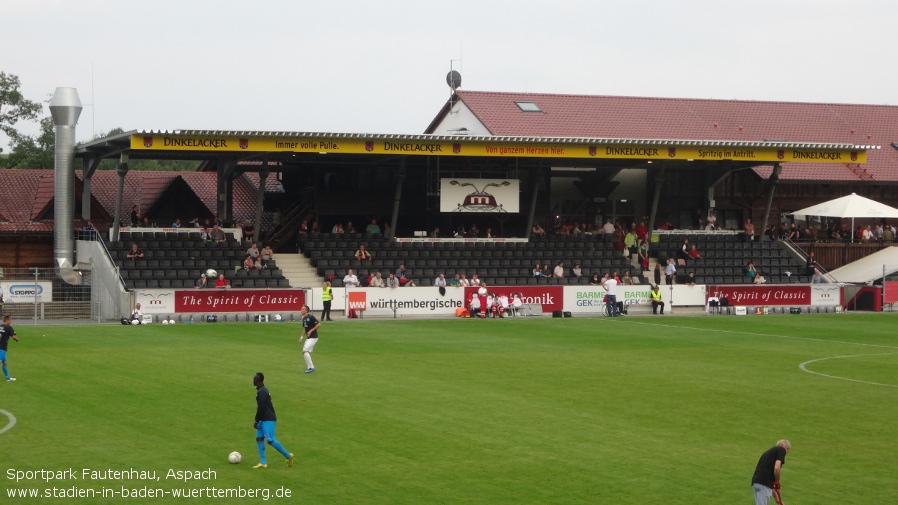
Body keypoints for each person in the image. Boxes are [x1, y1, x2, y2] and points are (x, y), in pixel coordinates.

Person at [252, 372, 294, 469]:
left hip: (268, 418)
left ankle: (289, 456)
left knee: (270, 440)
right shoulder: (261, 390)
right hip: (263, 418)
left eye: (254, 379)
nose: (253, 380)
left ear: (258, 380)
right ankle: (263, 462)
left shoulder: (262, 392)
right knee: (259, 438)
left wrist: (256, 421)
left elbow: (261, 408)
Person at [751, 440, 791, 505]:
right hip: (763, 485)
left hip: (757, 483)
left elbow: (771, 483)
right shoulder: (781, 450)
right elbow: (777, 468)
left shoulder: (768, 454)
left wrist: (778, 500)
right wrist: (777, 482)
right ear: (786, 448)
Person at [299, 304, 320, 374]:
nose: (301, 310)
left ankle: (311, 367)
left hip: (313, 337)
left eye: (303, 309)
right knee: (305, 352)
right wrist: (301, 337)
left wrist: (311, 330)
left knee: (304, 351)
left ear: (306, 310)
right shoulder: (304, 318)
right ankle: (310, 367)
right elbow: (305, 329)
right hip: (309, 338)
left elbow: (318, 324)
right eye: (301, 309)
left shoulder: (311, 317)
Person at [1, 315, 20, 381]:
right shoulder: (8, 327)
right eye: (10, 320)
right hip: (2, 348)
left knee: (4, 362)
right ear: (7, 320)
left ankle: (8, 378)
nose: (11, 322)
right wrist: (17, 339)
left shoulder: (0, 326)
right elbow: (13, 337)